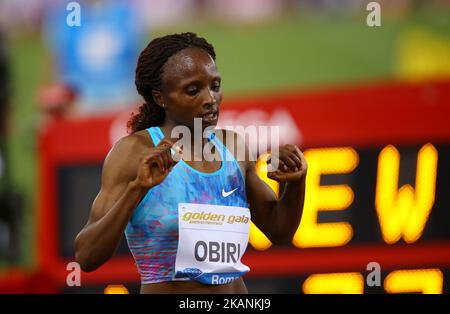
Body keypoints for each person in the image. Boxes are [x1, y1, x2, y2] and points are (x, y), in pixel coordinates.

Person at [74, 32, 307, 294]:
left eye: (215, 86)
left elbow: (279, 231)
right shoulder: (134, 152)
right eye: (193, 90)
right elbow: (87, 256)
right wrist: (137, 188)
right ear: (160, 97)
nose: (210, 99)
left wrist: (297, 182)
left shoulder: (233, 147)